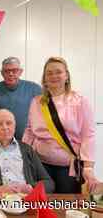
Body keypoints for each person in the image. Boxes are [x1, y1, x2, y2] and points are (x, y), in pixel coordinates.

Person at [22, 56, 98, 193]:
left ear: (66, 76)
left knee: (65, 205)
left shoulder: (79, 101)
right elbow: (29, 131)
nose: (53, 76)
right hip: (39, 166)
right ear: (44, 79)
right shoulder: (37, 101)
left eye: (58, 72)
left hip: (67, 168)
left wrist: (88, 167)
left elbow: (88, 135)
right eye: (49, 73)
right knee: (40, 204)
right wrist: (22, 156)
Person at [0, 57, 41, 140]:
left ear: (20, 72)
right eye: (7, 71)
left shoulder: (34, 89)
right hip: (1, 142)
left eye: (14, 70)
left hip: (28, 141)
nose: (11, 74)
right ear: (2, 73)